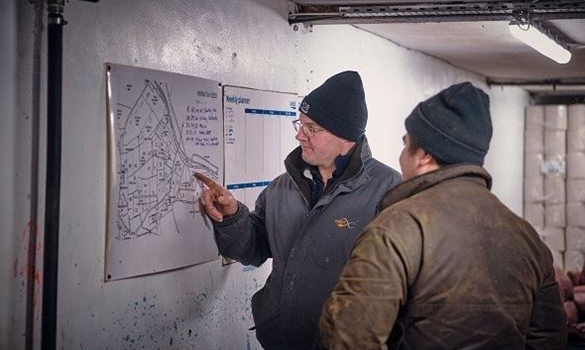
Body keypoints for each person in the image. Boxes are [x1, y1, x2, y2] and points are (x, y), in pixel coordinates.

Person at [318, 82, 567, 350]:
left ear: (424, 156)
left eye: (406, 144)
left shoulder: (396, 228)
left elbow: (347, 338)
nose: (401, 156)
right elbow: (549, 338)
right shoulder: (525, 236)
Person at [196, 71, 402, 350]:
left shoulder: (388, 190)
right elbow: (253, 249)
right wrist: (232, 216)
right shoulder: (283, 187)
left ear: (345, 136)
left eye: (311, 128)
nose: (299, 135)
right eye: (300, 124)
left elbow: (408, 284)